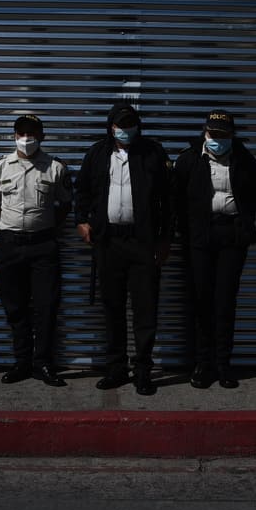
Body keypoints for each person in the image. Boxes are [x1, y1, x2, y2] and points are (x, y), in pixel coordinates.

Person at [73, 101, 173, 396]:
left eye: (131, 124)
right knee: (112, 307)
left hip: (142, 243)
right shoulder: (98, 153)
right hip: (108, 242)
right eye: (120, 124)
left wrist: (165, 239)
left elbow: (168, 200)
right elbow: (82, 191)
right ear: (111, 126)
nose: (126, 130)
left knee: (145, 310)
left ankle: (143, 371)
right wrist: (81, 221)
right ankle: (115, 368)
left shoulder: (153, 152)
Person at [172, 109, 256, 389]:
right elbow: (176, 196)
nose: (218, 140)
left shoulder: (245, 161)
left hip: (232, 236)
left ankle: (223, 364)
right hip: (200, 236)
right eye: (213, 134)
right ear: (205, 131)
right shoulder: (189, 160)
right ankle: (202, 364)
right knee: (201, 300)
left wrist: (241, 218)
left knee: (225, 301)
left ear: (232, 136)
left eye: (224, 136)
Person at [0, 113, 73, 387]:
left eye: (32, 134)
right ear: (14, 136)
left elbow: (65, 204)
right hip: (10, 246)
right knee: (15, 306)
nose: (26, 139)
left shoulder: (55, 168)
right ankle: (21, 362)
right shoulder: (0, 167)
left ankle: (43, 364)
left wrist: (45, 226)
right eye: (21, 133)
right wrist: (9, 225)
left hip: (43, 246)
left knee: (46, 307)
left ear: (42, 136)